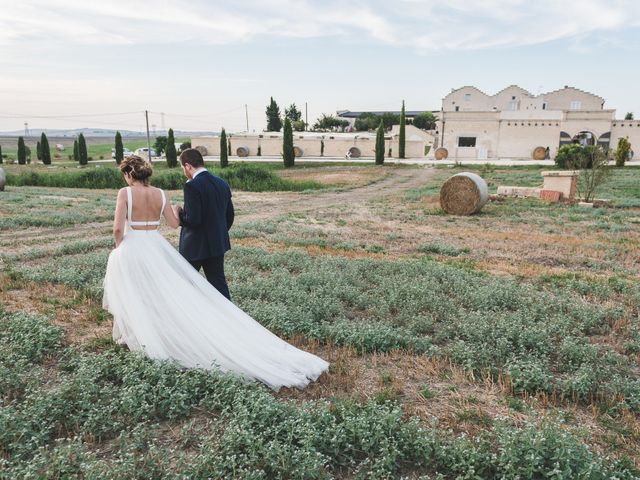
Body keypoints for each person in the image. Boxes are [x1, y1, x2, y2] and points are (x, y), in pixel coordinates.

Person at [102, 155, 329, 390]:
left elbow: (118, 228)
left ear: (129, 174)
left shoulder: (125, 193)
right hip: (159, 247)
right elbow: (173, 223)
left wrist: (119, 247)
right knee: (181, 289)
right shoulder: (162, 193)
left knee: (136, 293)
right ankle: (215, 324)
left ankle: (139, 336)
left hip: (133, 248)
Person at [174, 148, 233, 300]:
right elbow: (229, 216)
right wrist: (216, 232)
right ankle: (229, 319)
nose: (183, 171)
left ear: (188, 166)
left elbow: (193, 220)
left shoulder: (192, 186)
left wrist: (179, 212)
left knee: (184, 282)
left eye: (182, 168)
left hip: (194, 246)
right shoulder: (222, 183)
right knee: (219, 285)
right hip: (217, 244)